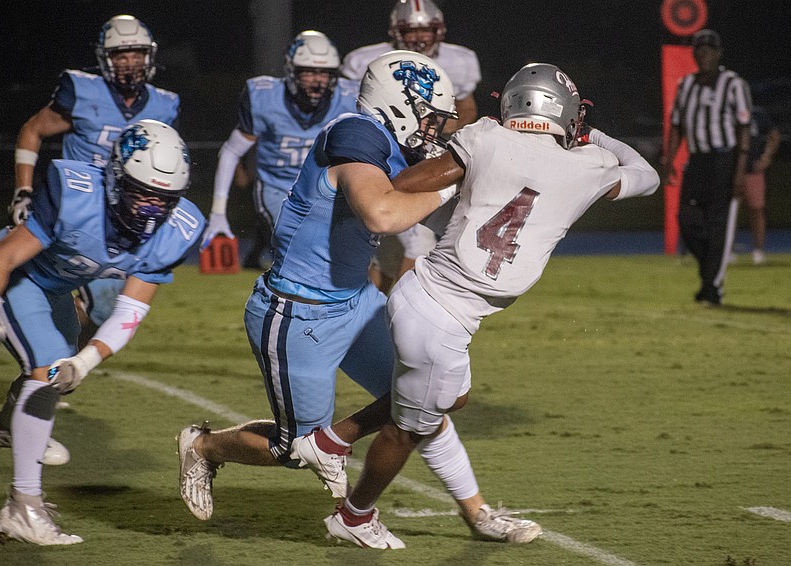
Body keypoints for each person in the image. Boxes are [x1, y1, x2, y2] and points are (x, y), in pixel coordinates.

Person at [178, 51, 540, 548]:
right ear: (398, 106)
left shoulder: (394, 145)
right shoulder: (354, 133)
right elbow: (382, 216)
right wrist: (454, 185)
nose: (435, 128)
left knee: (428, 399)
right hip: (296, 311)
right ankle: (204, 446)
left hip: (355, 300)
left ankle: (476, 513)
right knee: (293, 449)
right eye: (429, 116)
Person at [324, 62, 660, 548]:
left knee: (448, 400)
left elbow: (407, 184)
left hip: (427, 298)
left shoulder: (485, 136)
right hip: (440, 314)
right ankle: (354, 515)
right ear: (563, 113)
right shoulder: (589, 165)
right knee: (406, 430)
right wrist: (596, 137)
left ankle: (336, 439)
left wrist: (474, 176)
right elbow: (647, 176)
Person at [0, 120, 203, 545]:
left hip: (56, 289)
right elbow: (4, 255)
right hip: (15, 277)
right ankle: (23, 506)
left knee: (57, 369)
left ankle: (6, 426)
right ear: (115, 178)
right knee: (47, 365)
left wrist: (86, 362)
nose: (150, 210)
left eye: (164, 200)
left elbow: (130, 309)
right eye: (142, 193)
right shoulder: (75, 194)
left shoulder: (176, 231)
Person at [0, 14, 181, 467]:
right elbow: (33, 130)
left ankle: (19, 408)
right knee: (46, 321)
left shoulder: (165, 104)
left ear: (150, 57)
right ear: (104, 60)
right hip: (74, 216)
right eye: (120, 54)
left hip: (121, 230)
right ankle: (28, 403)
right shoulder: (83, 90)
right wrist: (24, 188)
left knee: (82, 332)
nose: (130, 62)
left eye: (136, 53)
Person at [341, 0, 482, 293]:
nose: (419, 38)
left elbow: (466, 109)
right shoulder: (363, 60)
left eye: (426, 30)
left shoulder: (460, 60)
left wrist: (437, 136)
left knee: (390, 252)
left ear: (439, 30)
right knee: (413, 240)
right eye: (410, 30)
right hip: (380, 153)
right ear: (395, 31)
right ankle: (400, 311)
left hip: (421, 156)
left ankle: (369, 312)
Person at [200, 30, 359, 267]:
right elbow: (232, 151)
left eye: (324, 73)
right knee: (299, 246)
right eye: (309, 71)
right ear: (292, 71)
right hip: (278, 187)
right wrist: (218, 211)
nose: (317, 80)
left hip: (326, 189)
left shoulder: (349, 97)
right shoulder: (265, 98)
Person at [661, 29, 752, 305]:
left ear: (719, 53)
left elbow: (744, 129)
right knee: (687, 222)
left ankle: (710, 289)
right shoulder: (686, 85)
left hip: (724, 160)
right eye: (700, 50)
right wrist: (669, 160)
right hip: (697, 160)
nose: (704, 55)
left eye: (709, 50)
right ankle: (709, 271)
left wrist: (739, 171)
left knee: (717, 226)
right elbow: (676, 125)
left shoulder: (734, 84)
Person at [740, 106, 780, 264]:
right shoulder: (725, 111)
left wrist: (766, 158)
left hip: (752, 169)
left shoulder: (756, 114)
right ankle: (726, 250)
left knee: (756, 209)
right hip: (729, 168)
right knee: (727, 212)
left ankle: (758, 250)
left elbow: (774, 135)